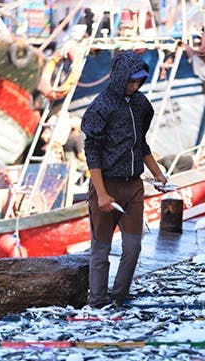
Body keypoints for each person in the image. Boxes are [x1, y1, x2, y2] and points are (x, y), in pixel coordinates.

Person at [81, 51, 168, 308]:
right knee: (101, 250)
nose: (135, 85)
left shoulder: (141, 105)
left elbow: (140, 143)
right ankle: (96, 302)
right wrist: (101, 194)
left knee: (133, 249)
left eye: (139, 81)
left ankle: (118, 297)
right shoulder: (100, 107)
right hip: (105, 185)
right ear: (120, 78)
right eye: (132, 81)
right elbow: (92, 153)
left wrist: (157, 173)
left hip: (134, 187)